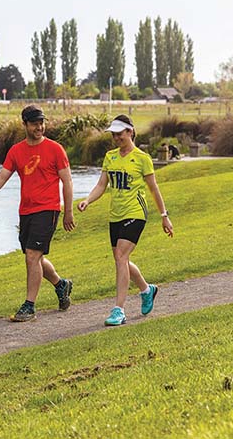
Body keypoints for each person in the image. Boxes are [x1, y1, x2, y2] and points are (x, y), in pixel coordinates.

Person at [0, 105, 76, 322]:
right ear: (25, 125)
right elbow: (2, 177)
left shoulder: (55, 149)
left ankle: (29, 306)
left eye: (42, 122)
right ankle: (61, 285)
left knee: (32, 255)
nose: (40, 127)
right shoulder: (16, 151)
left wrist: (68, 211)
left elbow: (67, 181)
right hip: (26, 211)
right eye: (34, 123)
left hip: (48, 209)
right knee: (35, 258)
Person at [78, 114, 173, 326]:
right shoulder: (110, 157)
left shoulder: (142, 158)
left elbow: (153, 188)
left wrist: (164, 216)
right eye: (114, 135)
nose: (117, 138)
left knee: (121, 256)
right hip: (116, 215)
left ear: (130, 132)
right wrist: (88, 200)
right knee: (121, 260)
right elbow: (102, 185)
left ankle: (118, 310)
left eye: (120, 134)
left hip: (136, 213)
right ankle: (147, 290)